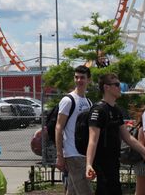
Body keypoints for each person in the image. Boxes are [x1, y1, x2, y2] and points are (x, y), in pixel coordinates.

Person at [86, 73, 145, 194]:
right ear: (106, 87)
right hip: (102, 162)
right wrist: (89, 164)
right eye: (117, 85)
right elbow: (93, 140)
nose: (120, 87)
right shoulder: (98, 110)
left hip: (114, 160)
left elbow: (128, 138)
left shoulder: (116, 110)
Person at [55, 65, 93, 195]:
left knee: (73, 191)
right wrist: (60, 155)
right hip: (72, 154)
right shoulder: (68, 100)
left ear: (89, 80)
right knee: (85, 191)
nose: (79, 80)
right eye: (76, 77)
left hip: (83, 153)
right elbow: (59, 127)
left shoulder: (88, 102)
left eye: (82, 77)